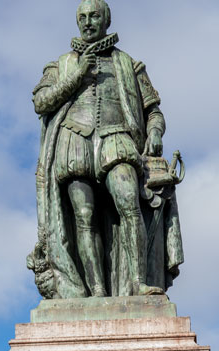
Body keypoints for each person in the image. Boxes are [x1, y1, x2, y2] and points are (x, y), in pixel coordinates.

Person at [28, 0, 183, 300]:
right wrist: (75, 77)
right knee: (83, 217)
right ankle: (96, 290)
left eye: (94, 16)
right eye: (82, 17)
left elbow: (154, 112)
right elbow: (40, 102)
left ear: (106, 20)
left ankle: (137, 283)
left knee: (129, 203)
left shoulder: (130, 64)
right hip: (74, 140)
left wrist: (154, 132)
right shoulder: (59, 65)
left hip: (117, 138)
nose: (87, 22)